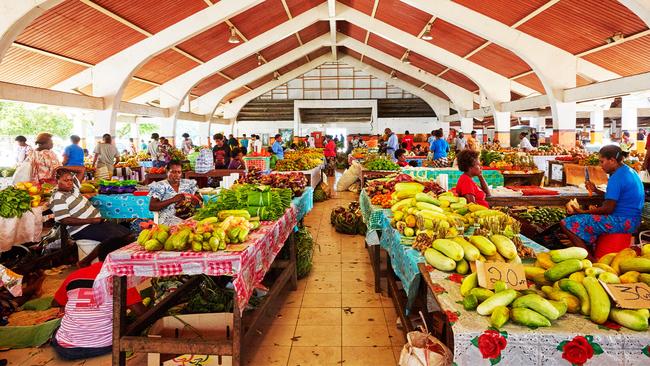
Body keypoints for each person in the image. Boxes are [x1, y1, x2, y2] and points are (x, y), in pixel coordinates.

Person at [50, 261, 144, 360]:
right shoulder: (120, 277)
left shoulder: (74, 276)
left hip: (67, 350)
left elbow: (55, 303)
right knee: (127, 321)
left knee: (59, 326)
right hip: (106, 346)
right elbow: (141, 313)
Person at [560, 145, 644, 257]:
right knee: (585, 220)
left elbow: (608, 208)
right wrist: (596, 190)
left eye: (602, 161)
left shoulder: (616, 177)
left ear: (612, 160)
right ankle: (592, 252)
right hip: (633, 221)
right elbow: (617, 198)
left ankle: (590, 260)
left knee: (567, 223)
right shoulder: (629, 171)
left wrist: (582, 212)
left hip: (621, 222)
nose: (600, 165)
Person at [50, 169, 133, 266]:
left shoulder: (73, 189)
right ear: (57, 182)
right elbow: (65, 220)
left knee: (128, 234)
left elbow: (81, 170)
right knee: (115, 238)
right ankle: (85, 261)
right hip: (81, 228)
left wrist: (63, 167)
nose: (69, 183)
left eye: (71, 180)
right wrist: (92, 220)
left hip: (95, 223)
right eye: (65, 180)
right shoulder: (58, 197)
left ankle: (115, 262)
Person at [148, 161, 201, 226]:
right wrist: (173, 199)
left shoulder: (188, 183)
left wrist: (190, 199)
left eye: (179, 172)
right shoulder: (160, 186)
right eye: (173, 172)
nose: (176, 175)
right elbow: (152, 206)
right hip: (168, 220)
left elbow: (199, 199)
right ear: (167, 171)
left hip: (189, 218)